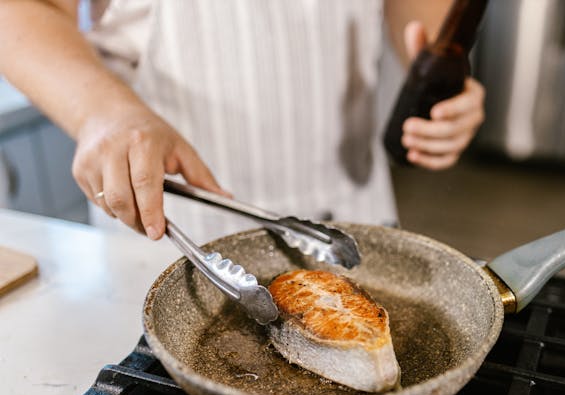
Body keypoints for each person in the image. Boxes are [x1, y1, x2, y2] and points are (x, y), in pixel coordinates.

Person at [0, 0, 485, 243]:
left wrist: (441, 81)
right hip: (175, 229)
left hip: (350, 213)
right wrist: (102, 112)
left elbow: (419, 13)